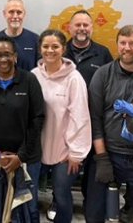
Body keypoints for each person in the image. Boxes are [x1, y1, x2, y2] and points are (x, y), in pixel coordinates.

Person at [85, 25, 133, 223]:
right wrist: (101, 157)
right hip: (109, 153)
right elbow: (95, 117)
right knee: (93, 215)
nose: (127, 48)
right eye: (123, 43)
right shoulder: (102, 74)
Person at [46, 10, 113, 221]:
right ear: (70, 27)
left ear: (91, 28)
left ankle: (89, 203)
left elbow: (110, 86)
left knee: (90, 171)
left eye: (86, 25)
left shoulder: (103, 54)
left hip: (93, 123)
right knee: (62, 172)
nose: (82, 29)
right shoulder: (59, 51)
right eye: (78, 25)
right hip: (63, 125)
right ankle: (58, 201)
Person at [0, 36, 44, 222]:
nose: (3, 59)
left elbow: (37, 119)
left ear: (15, 56)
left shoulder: (29, 80)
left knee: (28, 204)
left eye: (7, 54)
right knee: (0, 204)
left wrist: (20, 156)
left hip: (28, 157)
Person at [32, 29, 92, 223]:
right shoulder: (33, 76)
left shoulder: (74, 79)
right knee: (29, 194)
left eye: (55, 46)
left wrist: (77, 152)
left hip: (65, 152)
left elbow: (81, 116)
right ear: (40, 49)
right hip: (36, 149)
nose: (50, 50)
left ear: (63, 49)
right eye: (46, 46)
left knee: (61, 194)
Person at [0, 0, 39, 74]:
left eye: (19, 12)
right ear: (4, 14)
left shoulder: (35, 40)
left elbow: (40, 72)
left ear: (24, 14)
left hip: (29, 86)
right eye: (11, 12)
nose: (15, 16)